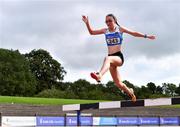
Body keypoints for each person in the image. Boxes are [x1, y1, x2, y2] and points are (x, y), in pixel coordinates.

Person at [82, 14, 155, 102]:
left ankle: (99, 75)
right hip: (110, 61)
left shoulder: (120, 29)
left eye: (110, 20)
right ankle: (131, 93)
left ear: (115, 21)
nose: (108, 23)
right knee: (118, 84)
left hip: (118, 57)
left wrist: (146, 36)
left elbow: (134, 33)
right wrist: (87, 23)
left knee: (107, 58)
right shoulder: (105, 31)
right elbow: (92, 32)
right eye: (106, 21)